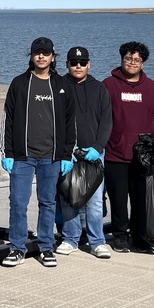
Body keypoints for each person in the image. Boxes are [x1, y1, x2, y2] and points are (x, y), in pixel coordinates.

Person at [0, 37, 75, 268]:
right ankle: (17, 247)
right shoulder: (20, 83)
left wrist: (66, 154)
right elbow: (8, 119)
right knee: (18, 203)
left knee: (48, 203)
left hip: (51, 157)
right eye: (37, 53)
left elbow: (70, 122)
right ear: (31, 56)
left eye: (45, 53)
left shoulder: (62, 85)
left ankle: (46, 247)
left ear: (53, 57)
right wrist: (7, 153)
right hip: (23, 156)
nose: (41, 57)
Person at [103, 42, 154, 254]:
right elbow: (99, 115)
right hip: (115, 153)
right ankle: (120, 236)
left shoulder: (151, 88)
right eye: (128, 59)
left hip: (143, 156)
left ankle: (140, 237)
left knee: (141, 199)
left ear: (143, 63)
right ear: (122, 59)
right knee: (118, 199)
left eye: (137, 60)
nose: (132, 63)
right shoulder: (109, 85)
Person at [56, 46, 114, 259]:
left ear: (89, 64)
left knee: (95, 200)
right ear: (67, 65)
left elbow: (106, 120)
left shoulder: (99, 88)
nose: (78, 66)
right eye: (73, 63)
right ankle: (70, 239)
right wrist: (64, 149)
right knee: (68, 198)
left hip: (93, 154)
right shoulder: (59, 85)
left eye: (82, 63)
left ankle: (97, 241)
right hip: (67, 154)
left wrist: (98, 147)